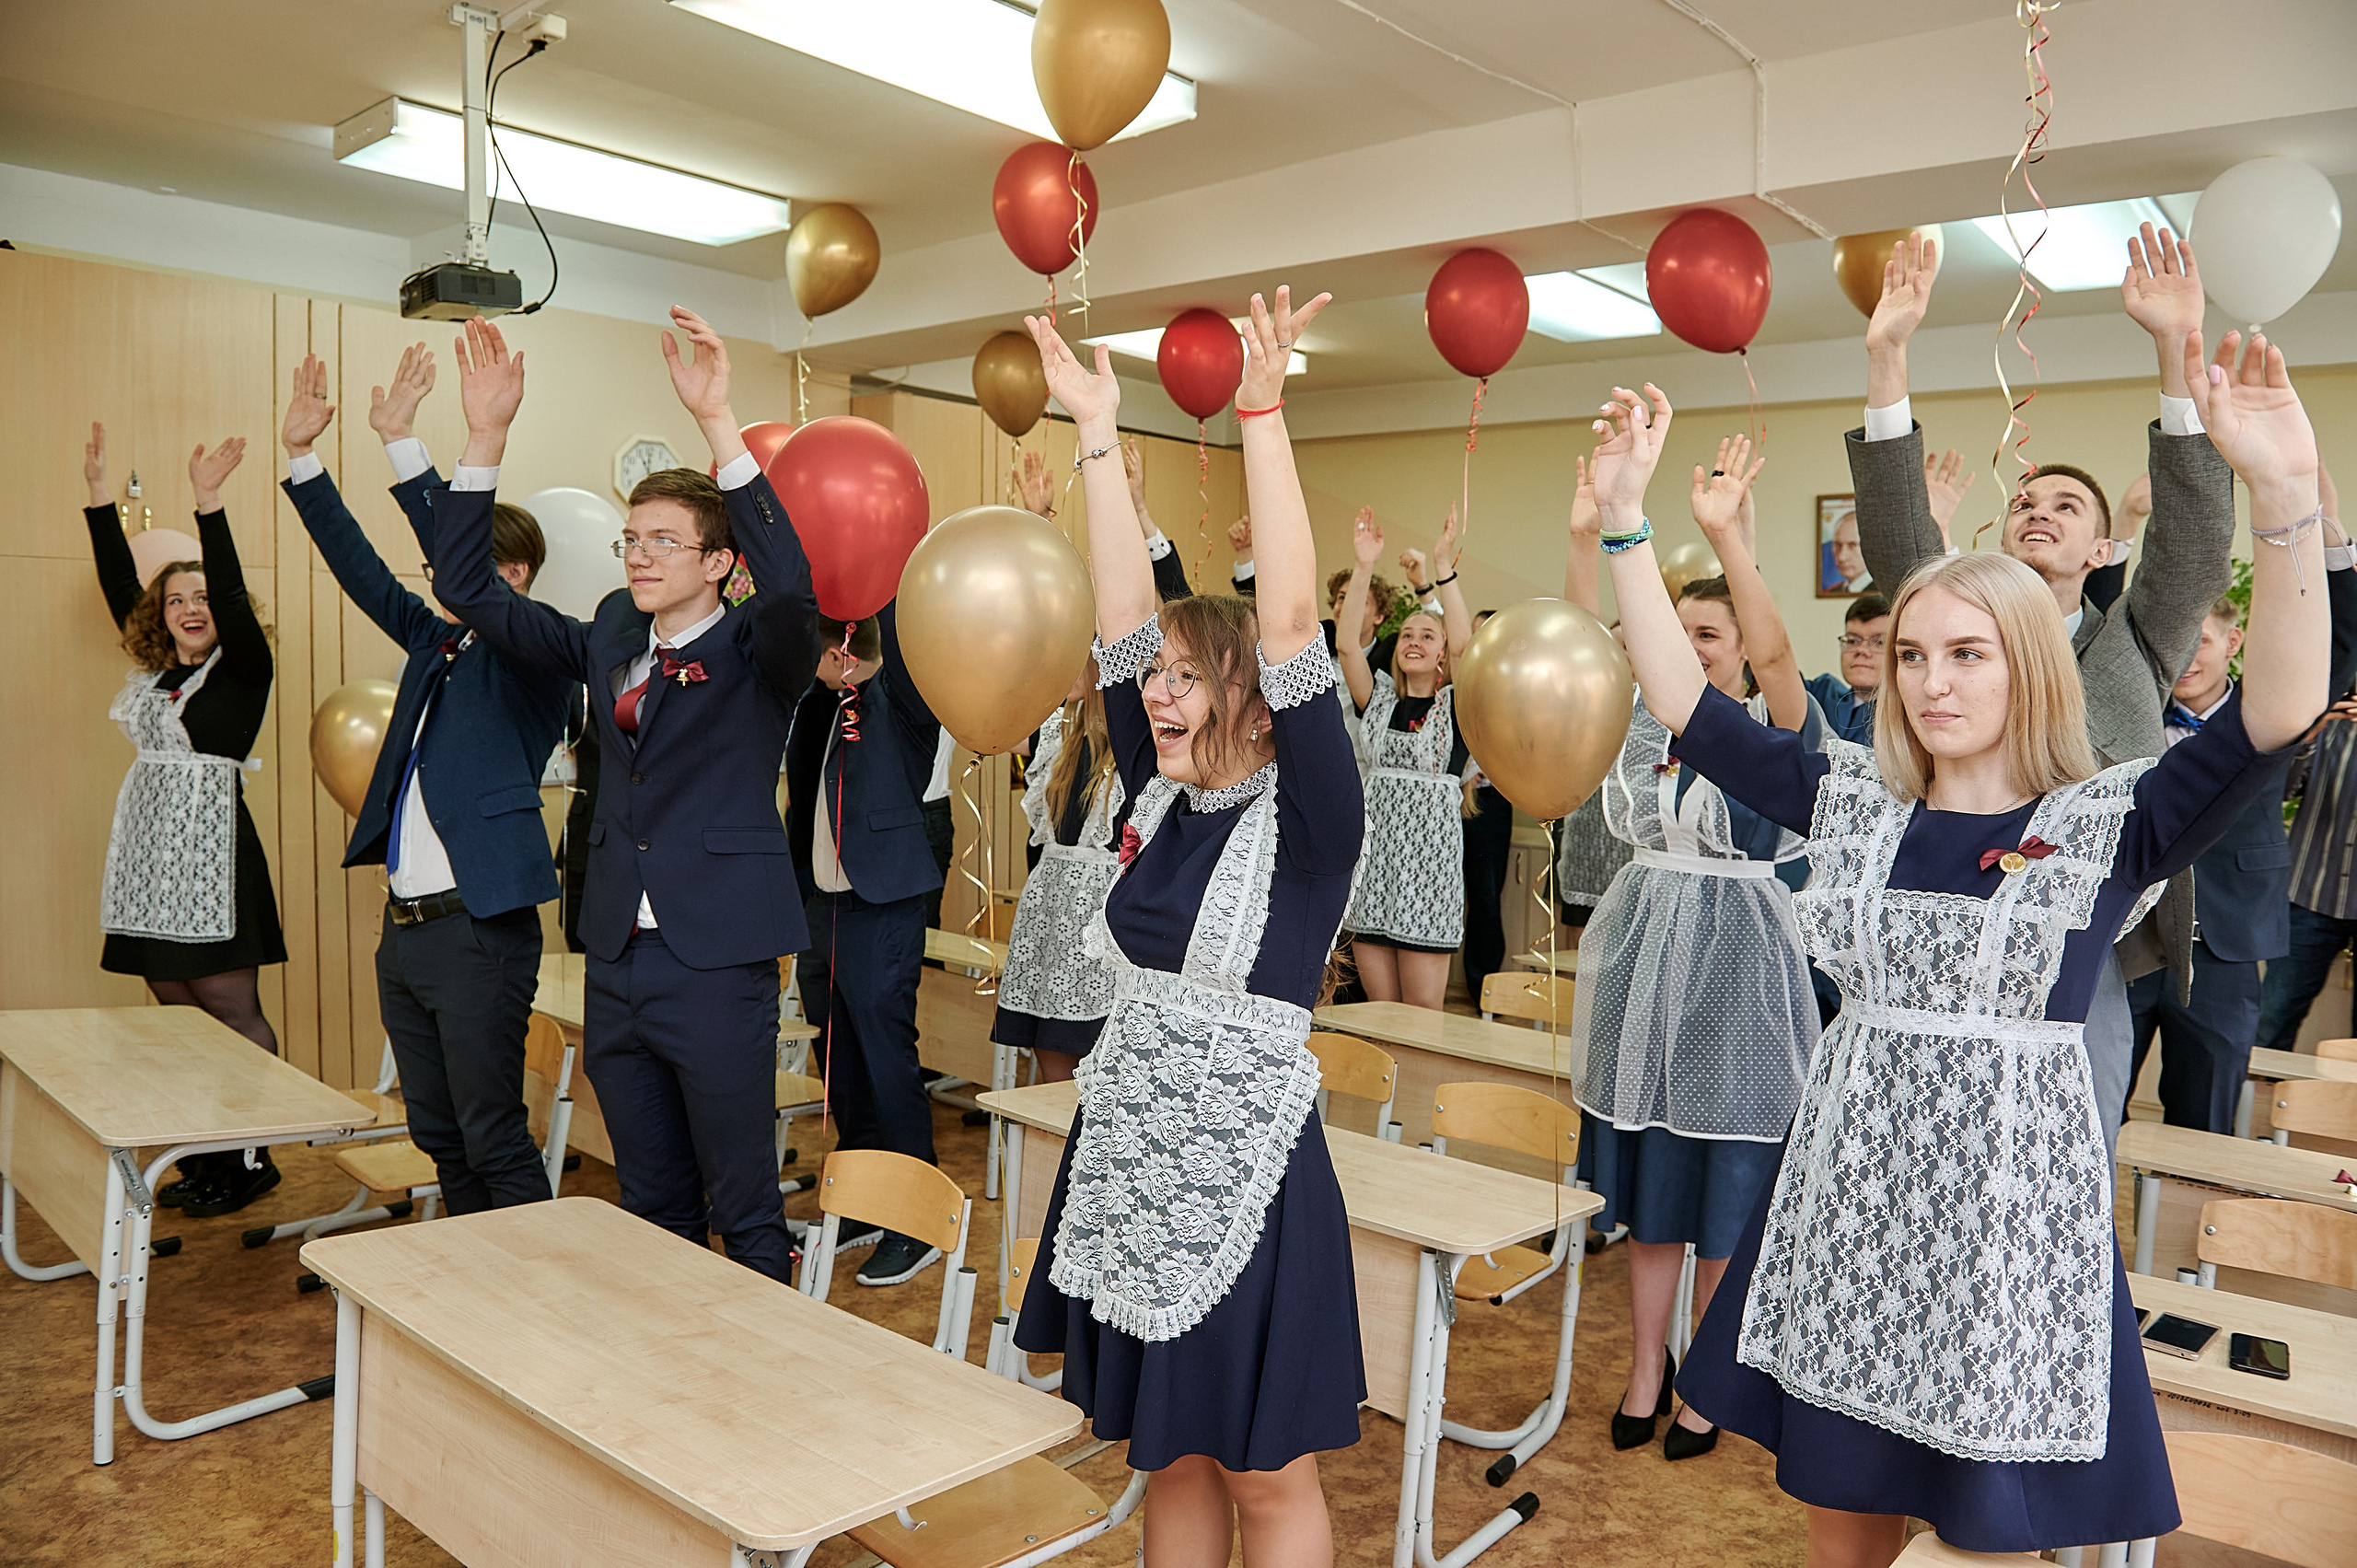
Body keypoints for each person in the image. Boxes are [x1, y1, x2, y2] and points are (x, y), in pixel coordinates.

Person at [1599, 327, 2326, 1562]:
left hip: (2005, 1231)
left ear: (2027, 659)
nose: (1933, 680)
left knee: (1983, 1536)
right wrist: (1624, 523)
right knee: (1843, 1523)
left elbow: (2281, 707)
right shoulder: (1856, 804)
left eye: (1969, 652)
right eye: (1918, 653)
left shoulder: (2107, 819)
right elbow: (1685, 700)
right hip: (1854, 1208)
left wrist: (2289, 499)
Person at [1017, 287, 1364, 1568]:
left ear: (1261, 707)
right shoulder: (1160, 792)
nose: (1156, 691)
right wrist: (1098, 436)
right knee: (1169, 1449)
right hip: (1134, 1142)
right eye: (1153, 677)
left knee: (1265, 1473)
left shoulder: (1314, 818)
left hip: (1251, 1169)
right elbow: (1116, 615)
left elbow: (1283, 623)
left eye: (1185, 675)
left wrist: (1263, 414)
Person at [432, 310, 820, 1283]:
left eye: (663, 540)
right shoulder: (610, 631)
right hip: (616, 952)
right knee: (647, 1199)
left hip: (718, 958)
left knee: (746, 1202)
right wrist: (485, 439)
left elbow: (791, 589)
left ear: (717, 562)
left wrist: (720, 422)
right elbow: (467, 587)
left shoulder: (757, 650)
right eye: (629, 539)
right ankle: (670, 1378)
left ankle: (762, 1401)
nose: (638, 555)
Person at [1847, 225, 2234, 1157]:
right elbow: (1903, 545)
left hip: (2078, 940)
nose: (2039, 510)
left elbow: (2190, 537)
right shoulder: (1957, 625)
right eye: (2025, 499)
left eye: (2067, 507)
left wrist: (2171, 354)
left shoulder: (2132, 640)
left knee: (2067, 1154)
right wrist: (1887, 355)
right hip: (1939, 910)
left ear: (2101, 551)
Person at [1567, 432, 1820, 1462]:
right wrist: (1589, 532)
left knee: (1723, 1202)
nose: (1691, 646)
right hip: (1646, 972)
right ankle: (1643, 1364)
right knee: (1657, 1199)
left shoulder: (1781, 729)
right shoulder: (1639, 729)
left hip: (1741, 982)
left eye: (1706, 630)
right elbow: (1587, 633)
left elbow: (1775, 658)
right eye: (1678, 630)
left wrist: (1735, 542)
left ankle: (1707, 1377)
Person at [279, 346, 574, 1214]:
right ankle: (480, 1300)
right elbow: (359, 568)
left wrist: (407, 445)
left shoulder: (537, 650)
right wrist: (305, 461)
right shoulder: (435, 644)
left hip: (479, 931)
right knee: (441, 1136)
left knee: (492, 1134)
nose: (444, 577)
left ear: (509, 577)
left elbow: (459, 559)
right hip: (408, 935)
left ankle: (536, 1310)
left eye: (474, 566)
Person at [84, 424, 289, 1216]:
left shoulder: (243, 673)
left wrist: (210, 506)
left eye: (200, 599)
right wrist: (101, 501)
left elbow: (230, 594)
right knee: (175, 1004)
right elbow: (116, 585)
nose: (189, 608)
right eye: (175, 600)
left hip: (212, 859)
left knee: (230, 1010)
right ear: (159, 616)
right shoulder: (156, 676)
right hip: (150, 863)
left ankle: (252, 1154)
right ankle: (206, 1154)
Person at [994, 447, 1197, 1082]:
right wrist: (1038, 524)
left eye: (1069, 651)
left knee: (1103, 1078)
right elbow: (1039, 611)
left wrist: (1137, 510)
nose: (1049, 662)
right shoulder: (1059, 735)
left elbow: (1174, 611)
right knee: (1051, 1069)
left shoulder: (1147, 747)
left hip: (1110, 929)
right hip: (1053, 917)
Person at [786, 593, 946, 1288]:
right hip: (823, 906)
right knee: (840, 1058)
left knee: (887, 1056)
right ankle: (866, 1196)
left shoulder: (905, 708)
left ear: (842, 651)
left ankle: (916, 1219)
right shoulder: (818, 706)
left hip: (882, 904)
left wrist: (879, 582)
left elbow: (903, 657)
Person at [1336, 505, 1473, 1010]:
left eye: (1427, 636)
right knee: (1381, 1015)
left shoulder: (1456, 707)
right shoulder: (1381, 700)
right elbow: (1348, 645)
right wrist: (1364, 566)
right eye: (1408, 635)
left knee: (1421, 1019)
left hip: (1428, 875)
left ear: (1442, 656)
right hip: (1375, 868)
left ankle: (1420, 1095)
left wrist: (1443, 569)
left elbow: (1465, 643)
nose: (1415, 641)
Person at [2250, 463, 2357, 1058]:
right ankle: (2259, 1136)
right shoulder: (2330, 693)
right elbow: (2280, 786)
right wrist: (2313, 729)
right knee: (2270, 1030)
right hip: (2306, 896)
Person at [1459, 608, 1515, 998]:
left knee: (1484, 897)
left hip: (1490, 800)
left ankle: (1484, 991)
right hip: (1445, 798)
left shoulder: (1517, 689)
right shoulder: (1454, 686)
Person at [1806, 593, 1888, 747]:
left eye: (1878, 642)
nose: (1861, 650)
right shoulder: (1821, 695)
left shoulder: (1906, 717)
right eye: (1852, 640)